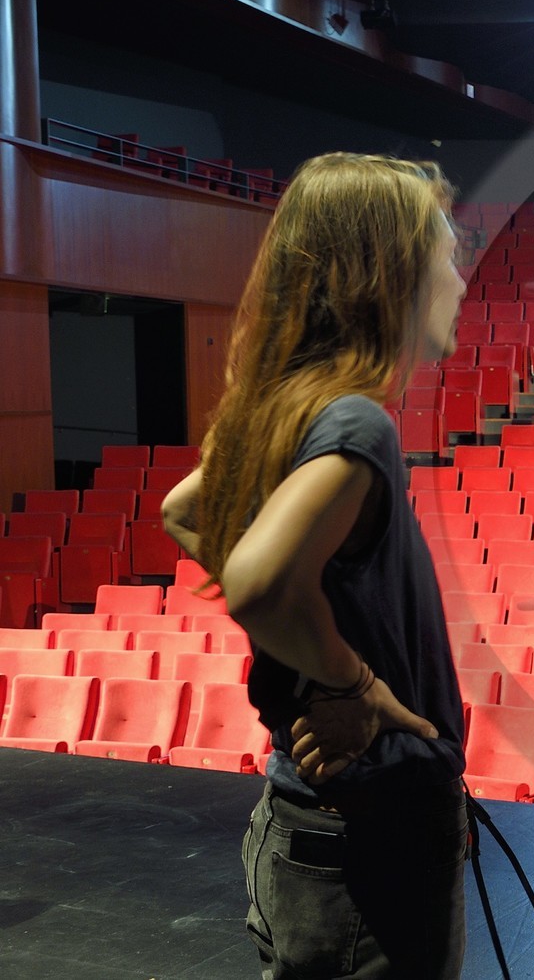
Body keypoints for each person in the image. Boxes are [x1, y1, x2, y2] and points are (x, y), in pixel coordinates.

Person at [162, 152, 472, 979]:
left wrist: (316, 661)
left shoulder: (284, 408)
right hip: (371, 848)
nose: (460, 280)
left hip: (307, 827)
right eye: (448, 256)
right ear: (393, 276)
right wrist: (352, 682)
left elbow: (183, 512)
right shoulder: (360, 423)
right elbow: (259, 582)